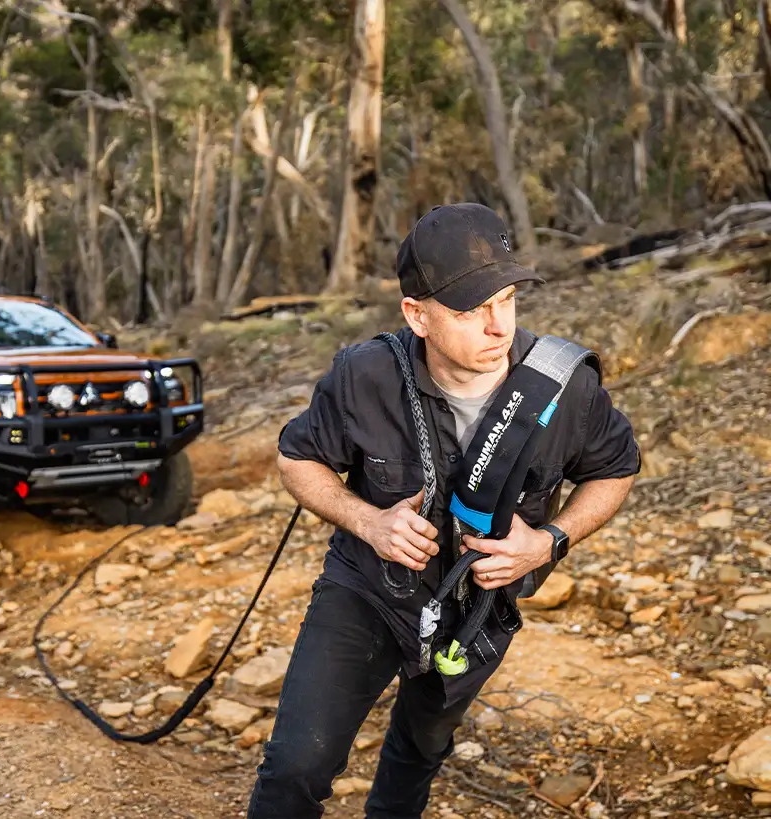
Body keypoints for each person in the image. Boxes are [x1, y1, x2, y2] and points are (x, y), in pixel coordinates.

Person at [246, 203, 640, 819]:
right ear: (417, 315)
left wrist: (550, 541)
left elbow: (614, 470)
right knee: (296, 764)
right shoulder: (364, 376)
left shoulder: (561, 388)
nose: (497, 327)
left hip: (475, 613)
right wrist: (368, 521)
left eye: (506, 300)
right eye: (469, 310)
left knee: (417, 752)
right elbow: (298, 460)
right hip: (369, 592)